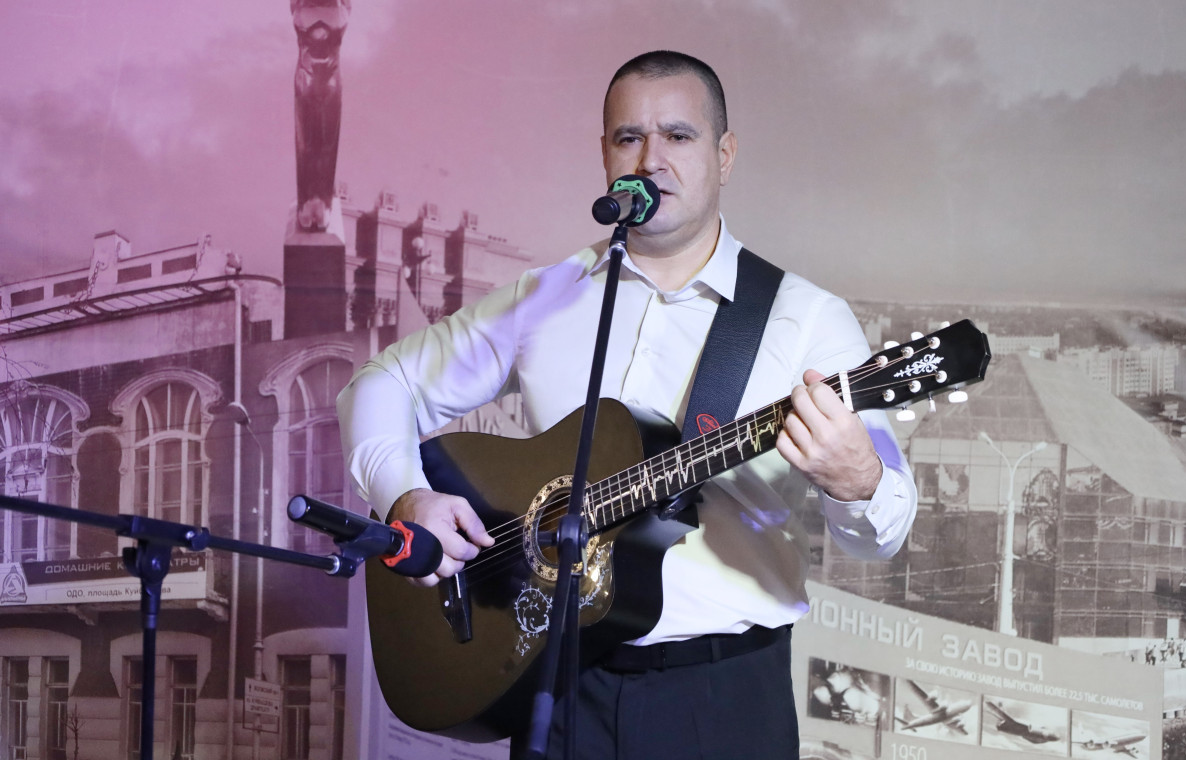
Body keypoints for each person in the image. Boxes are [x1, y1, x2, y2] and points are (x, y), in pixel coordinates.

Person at [338, 50, 918, 759]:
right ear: (605, 156)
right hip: (557, 685)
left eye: (678, 136)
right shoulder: (545, 297)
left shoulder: (806, 320)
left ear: (725, 155)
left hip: (721, 699)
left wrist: (858, 480)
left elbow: (881, 534)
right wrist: (405, 496)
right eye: (629, 138)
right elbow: (380, 384)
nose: (651, 160)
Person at [287, 0, 354, 231]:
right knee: (306, 143)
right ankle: (306, 201)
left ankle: (323, 202)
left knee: (327, 141)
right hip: (306, 79)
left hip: (331, 81)